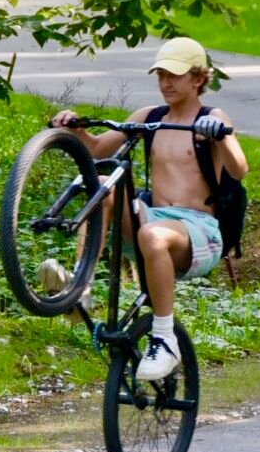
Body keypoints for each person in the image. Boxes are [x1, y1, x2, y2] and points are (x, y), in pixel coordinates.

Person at [40, 35, 248, 382]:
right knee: (105, 189)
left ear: (198, 79)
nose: (165, 82)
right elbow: (96, 151)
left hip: (199, 232)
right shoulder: (149, 116)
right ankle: (80, 289)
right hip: (155, 222)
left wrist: (220, 136)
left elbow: (239, 169)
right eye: (161, 74)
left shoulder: (211, 116)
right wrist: (72, 127)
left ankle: (165, 339)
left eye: (175, 75)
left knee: (152, 235)